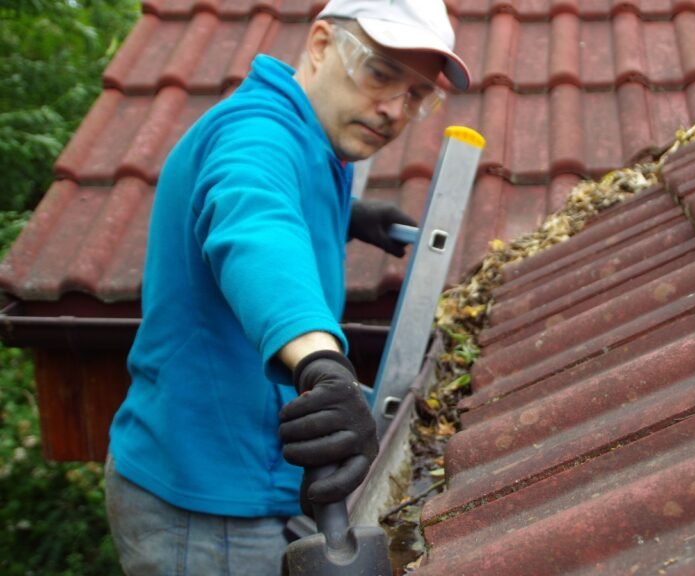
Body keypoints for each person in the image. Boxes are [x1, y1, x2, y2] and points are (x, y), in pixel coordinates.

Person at [103, 1, 471, 573]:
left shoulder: (316, 139)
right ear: (322, 45)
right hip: (208, 503)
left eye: (417, 95)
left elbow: (279, 201)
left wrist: (347, 215)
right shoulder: (256, 133)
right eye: (380, 74)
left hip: (247, 475)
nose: (394, 109)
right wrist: (321, 364)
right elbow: (255, 227)